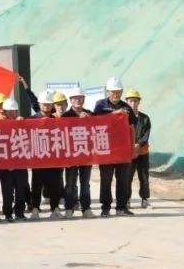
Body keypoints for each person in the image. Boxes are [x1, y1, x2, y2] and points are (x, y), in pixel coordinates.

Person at [94, 76, 136, 216]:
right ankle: (105, 207)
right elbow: (95, 121)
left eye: (118, 91)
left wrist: (133, 147)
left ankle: (121, 207)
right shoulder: (100, 105)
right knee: (106, 180)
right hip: (106, 150)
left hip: (122, 150)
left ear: (122, 92)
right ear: (107, 91)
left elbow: (132, 127)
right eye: (112, 91)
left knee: (123, 179)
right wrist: (114, 113)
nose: (115, 94)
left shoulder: (126, 107)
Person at [29, 93, 64, 220]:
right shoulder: (32, 120)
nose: (46, 106)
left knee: (55, 184)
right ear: (39, 104)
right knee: (37, 185)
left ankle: (55, 208)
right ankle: (35, 208)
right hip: (38, 158)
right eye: (44, 104)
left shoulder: (56, 119)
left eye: (49, 104)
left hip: (54, 157)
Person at [61, 87, 94, 219]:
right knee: (70, 183)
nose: (78, 101)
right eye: (75, 98)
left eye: (81, 98)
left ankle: (86, 208)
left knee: (85, 183)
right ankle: (69, 208)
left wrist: (89, 119)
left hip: (86, 154)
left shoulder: (89, 114)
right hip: (71, 155)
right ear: (70, 101)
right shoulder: (65, 116)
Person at [0, 98, 30, 221]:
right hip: (6, 166)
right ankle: (8, 213)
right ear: (4, 112)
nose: (11, 114)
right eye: (9, 111)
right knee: (7, 191)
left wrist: (23, 122)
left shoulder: (21, 123)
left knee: (21, 189)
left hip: (20, 164)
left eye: (14, 111)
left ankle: (20, 212)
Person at [125, 89, 151, 209]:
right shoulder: (123, 119)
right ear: (127, 102)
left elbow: (146, 134)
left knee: (144, 177)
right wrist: (131, 146)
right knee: (127, 177)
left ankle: (145, 199)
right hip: (129, 153)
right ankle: (126, 199)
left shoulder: (145, 118)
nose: (133, 103)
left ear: (139, 102)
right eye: (131, 101)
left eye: (135, 101)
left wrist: (138, 144)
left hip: (142, 153)